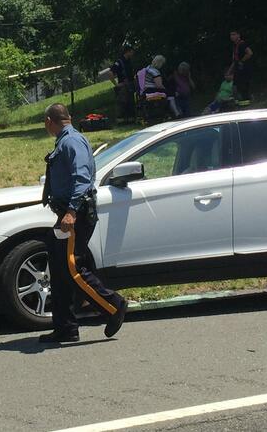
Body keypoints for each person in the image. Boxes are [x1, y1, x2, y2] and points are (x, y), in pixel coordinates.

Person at [39, 103, 126, 344]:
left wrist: (71, 212)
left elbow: (82, 178)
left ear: (49, 120)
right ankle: (65, 327)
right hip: (67, 212)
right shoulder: (66, 140)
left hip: (75, 213)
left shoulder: (71, 142)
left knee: (72, 267)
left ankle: (114, 305)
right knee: (59, 268)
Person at [136, 55, 170, 124]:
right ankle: (170, 113)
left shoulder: (146, 69)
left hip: (144, 91)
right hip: (152, 90)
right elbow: (159, 85)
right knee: (170, 93)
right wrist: (166, 90)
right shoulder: (155, 72)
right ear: (160, 63)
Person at [109, 45, 137, 124]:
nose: (133, 53)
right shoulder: (119, 62)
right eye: (131, 51)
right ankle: (121, 122)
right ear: (127, 51)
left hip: (130, 85)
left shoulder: (129, 61)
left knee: (131, 104)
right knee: (122, 104)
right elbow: (110, 73)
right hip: (123, 87)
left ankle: (131, 121)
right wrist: (116, 84)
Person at [228, 30, 254, 106]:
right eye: (231, 35)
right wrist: (230, 70)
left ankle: (246, 102)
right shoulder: (235, 46)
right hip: (238, 69)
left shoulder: (242, 44)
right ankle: (241, 101)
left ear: (238, 35)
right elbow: (234, 60)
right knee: (236, 85)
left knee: (244, 85)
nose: (232, 36)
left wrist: (242, 61)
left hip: (243, 68)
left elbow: (249, 53)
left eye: (234, 34)